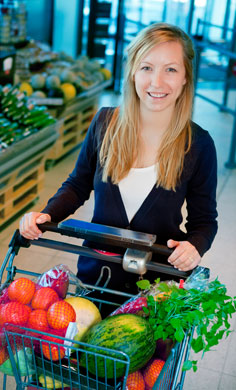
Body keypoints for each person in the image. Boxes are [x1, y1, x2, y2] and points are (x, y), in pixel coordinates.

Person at [20, 23, 218, 298]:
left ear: (186, 77)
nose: (157, 82)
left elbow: (205, 220)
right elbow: (78, 184)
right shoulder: (105, 124)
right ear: (133, 71)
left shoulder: (197, 144)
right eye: (147, 67)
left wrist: (194, 246)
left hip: (156, 293)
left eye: (170, 69)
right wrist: (48, 214)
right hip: (95, 279)